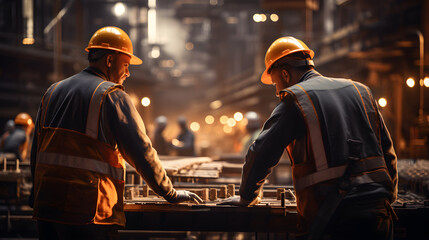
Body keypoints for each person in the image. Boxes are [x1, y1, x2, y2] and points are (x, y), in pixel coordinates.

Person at [30, 26, 202, 240]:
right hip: (88, 212)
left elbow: (36, 150)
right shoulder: (111, 96)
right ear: (110, 61)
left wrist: (34, 195)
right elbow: (142, 152)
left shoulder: (52, 92)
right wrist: (170, 193)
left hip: (47, 209)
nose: (128, 73)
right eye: (126, 65)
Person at [220, 36, 398, 240]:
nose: (278, 91)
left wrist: (246, 197)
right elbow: (387, 151)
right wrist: (387, 195)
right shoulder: (361, 91)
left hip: (334, 217)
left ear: (285, 74)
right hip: (378, 214)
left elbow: (261, 152)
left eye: (275, 83)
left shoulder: (297, 99)